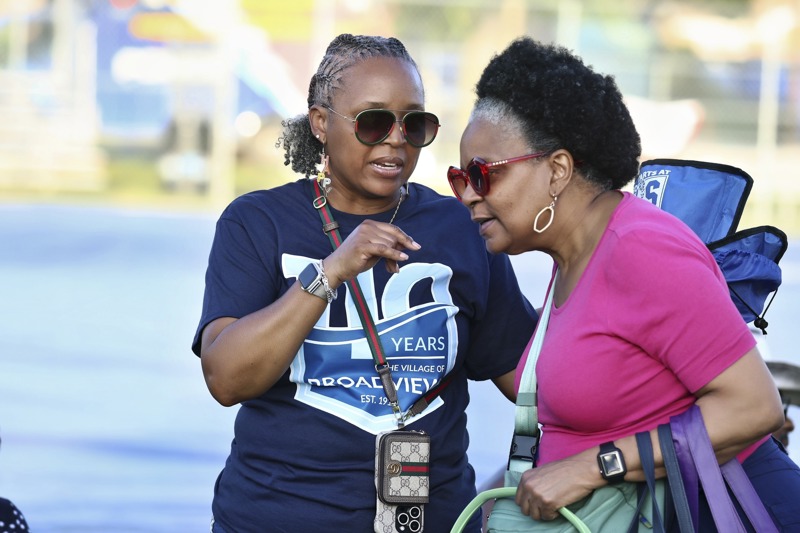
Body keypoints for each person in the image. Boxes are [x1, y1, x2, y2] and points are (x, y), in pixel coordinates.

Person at [447, 37, 800, 530]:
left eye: (482, 175)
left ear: (557, 171)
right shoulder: (572, 255)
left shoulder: (640, 249)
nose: (468, 195)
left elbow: (754, 408)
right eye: (459, 178)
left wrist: (592, 467)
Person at [193, 34, 536, 533]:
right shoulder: (257, 222)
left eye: (414, 124)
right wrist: (329, 272)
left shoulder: (460, 228)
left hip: (428, 518)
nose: (396, 139)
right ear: (321, 122)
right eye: (374, 122)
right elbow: (226, 379)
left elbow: (534, 386)